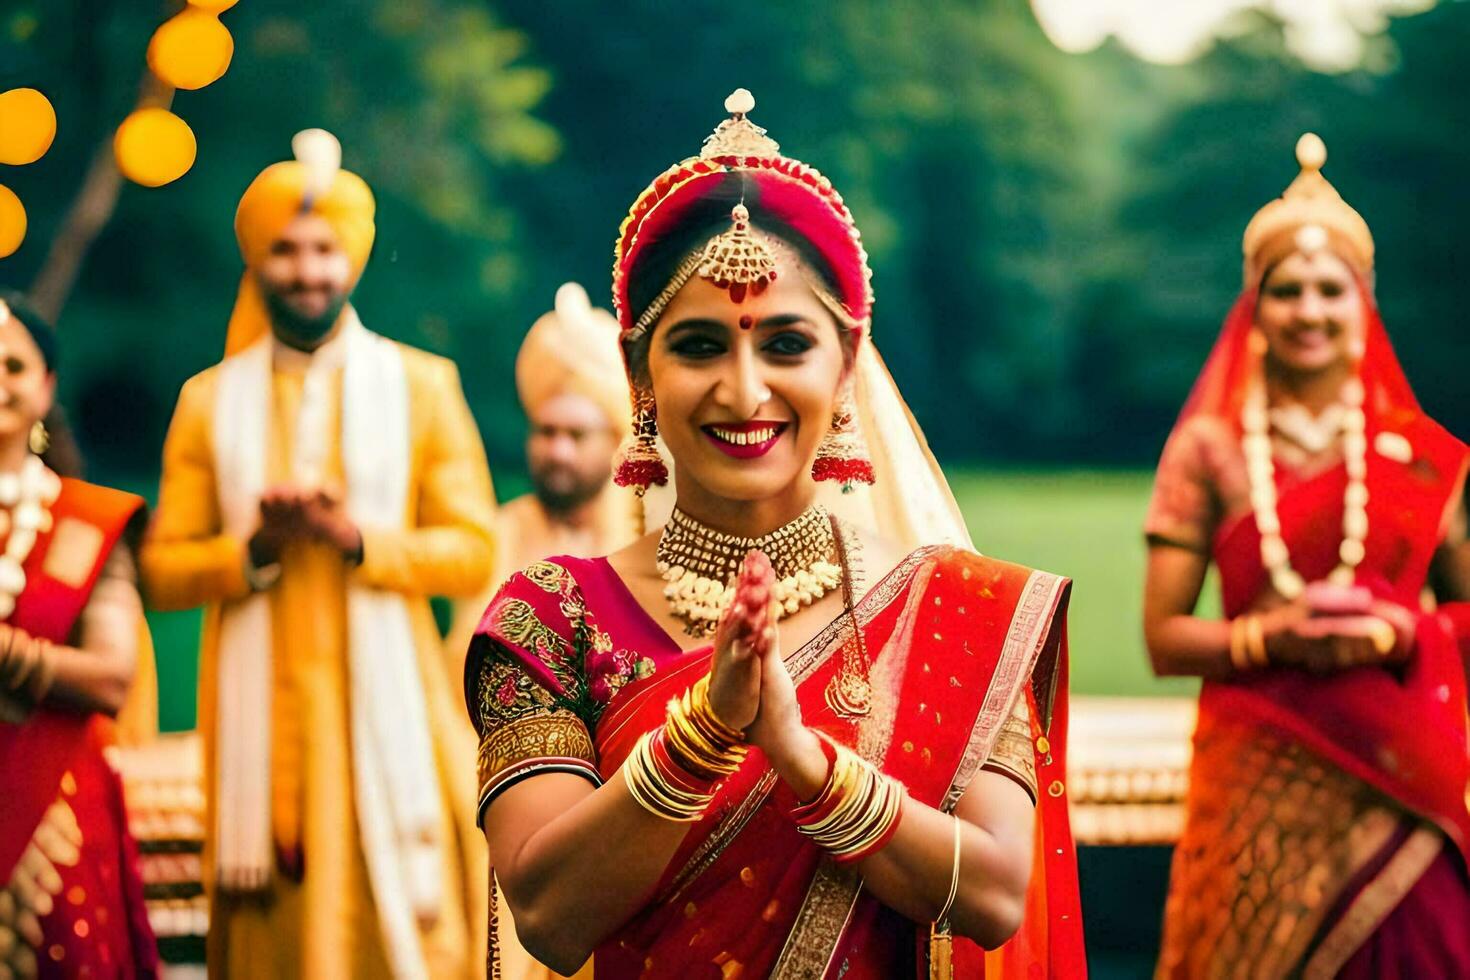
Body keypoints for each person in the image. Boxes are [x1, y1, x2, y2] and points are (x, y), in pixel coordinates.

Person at [465, 90, 1084, 979]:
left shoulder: (957, 608)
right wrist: (704, 733)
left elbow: (990, 896)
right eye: (700, 347)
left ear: (845, 370)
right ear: (640, 376)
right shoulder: (551, 618)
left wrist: (802, 759)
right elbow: (549, 917)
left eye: (787, 345)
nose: (746, 390)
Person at [139, 130, 495, 979]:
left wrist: (357, 540)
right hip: (262, 731)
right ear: (259, 260)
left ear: (355, 260)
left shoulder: (422, 386)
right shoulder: (207, 401)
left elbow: (475, 550)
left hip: (392, 708)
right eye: (287, 250)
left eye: (324, 250)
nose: (307, 271)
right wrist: (252, 551)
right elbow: (161, 571)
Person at [1144, 135, 1470, 977]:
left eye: (1334, 290)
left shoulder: (1429, 456)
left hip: (1401, 780)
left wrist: (1401, 635)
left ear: (1366, 307)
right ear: (1254, 308)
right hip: (1257, 772)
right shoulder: (1209, 451)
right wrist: (1272, 638)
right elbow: (1163, 636)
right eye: (1287, 291)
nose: (1310, 310)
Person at [0, 292, 159, 977]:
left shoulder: (82, 522)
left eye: (11, 365)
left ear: (46, 388)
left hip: (47, 800)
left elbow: (111, 676)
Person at [445, 281, 636, 662]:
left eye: (577, 435)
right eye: (546, 432)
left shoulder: (645, 539)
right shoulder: (496, 535)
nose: (558, 451)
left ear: (615, 440)